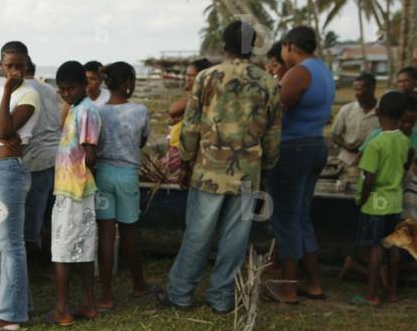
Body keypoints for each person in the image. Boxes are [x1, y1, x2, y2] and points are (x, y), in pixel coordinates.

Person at [162, 21, 282, 314]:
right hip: (247, 175)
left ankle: (181, 294)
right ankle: (221, 298)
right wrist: (266, 171)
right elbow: (273, 135)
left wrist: (186, 163)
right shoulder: (268, 83)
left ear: (224, 45)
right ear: (252, 46)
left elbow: (190, 126)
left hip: (208, 172)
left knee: (197, 235)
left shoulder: (207, 77)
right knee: (235, 240)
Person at [268, 26, 336, 303]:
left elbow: (276, 107)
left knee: (286, 218)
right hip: (316, 145)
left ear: (289, 46)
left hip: (293, 149)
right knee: (302, 216)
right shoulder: (324, 71)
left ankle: (288, 287)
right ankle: (314, 284)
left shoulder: (299, 72)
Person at [0, 41, 41, 331]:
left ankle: (11, 315)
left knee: (10, 243)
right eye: (9, 66)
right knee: (4, 241)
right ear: (1, 65)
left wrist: (7, 91)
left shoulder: (29, 94)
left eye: (19, 65)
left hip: (9, 172)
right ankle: (19, 303)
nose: (14, 71)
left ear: (27, 65)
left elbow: (4, 130)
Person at [48, 61, 101, 325]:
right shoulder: (76, 108)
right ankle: (88, 304)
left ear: (84, 85)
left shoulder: (87, 111)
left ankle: (62, 309)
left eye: (71, 88)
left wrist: (79, 169)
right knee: (80, 246)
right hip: (71, 188)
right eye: (62, 90)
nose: (66, 94)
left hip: (75, 189)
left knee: (62, 249)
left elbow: (90, 154)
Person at [95, 61, 150, 310]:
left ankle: (105, 294)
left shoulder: (97, 111)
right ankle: (139, 284)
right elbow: (142, 140)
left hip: (102, 174)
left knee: (106, 234)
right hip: (127, 175)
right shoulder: (140, 110)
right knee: (129, 231)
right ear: (128, 83)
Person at [355, 91, 414, 304]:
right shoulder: (405, 141)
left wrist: (363, 198)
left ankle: (372, 294)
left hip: (375, 203)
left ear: (378, 112)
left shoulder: (376, 143)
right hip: (395, 201)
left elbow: (369, 178)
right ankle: (392, 292)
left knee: (375, 248)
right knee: (393, 247)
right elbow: (409, 162)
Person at [23, 57, 64, 253]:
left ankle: (31, 259)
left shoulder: (22, 91)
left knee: (33, 214)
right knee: (52, 212)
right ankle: (52, 256)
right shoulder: (48, 89)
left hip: (36, 159)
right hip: (58, 156)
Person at [166, 58, 212, 179]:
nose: (188, 79)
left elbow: (173, 110)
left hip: (187, 156)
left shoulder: (198, 96)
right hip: (177, 150)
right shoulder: (192, 96)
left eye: (193, 76)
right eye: (187, 75)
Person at [331, 73, 379, 187]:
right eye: (355, 89)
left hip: (376, 163)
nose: (357, 93)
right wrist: (346, 146)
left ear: (372, 88)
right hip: (349, 162)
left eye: (361, 89)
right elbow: (335, 135)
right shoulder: (347, 109)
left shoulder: (383, 111)